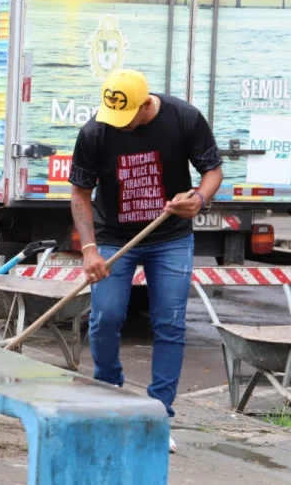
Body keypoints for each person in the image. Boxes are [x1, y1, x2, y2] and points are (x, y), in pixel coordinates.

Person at [68, 69, 223, 454]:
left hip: (170, 237)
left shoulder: (184, 118)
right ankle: (108, 394)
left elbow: (213, 171)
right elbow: (80, 193)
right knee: (105, 317)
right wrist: (89, 249)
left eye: (127, 117)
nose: (119, 124)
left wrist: (199, 199)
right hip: (112, 237)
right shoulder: (96, 131)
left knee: (169, 323)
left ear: (146, 104)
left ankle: (158, 415)